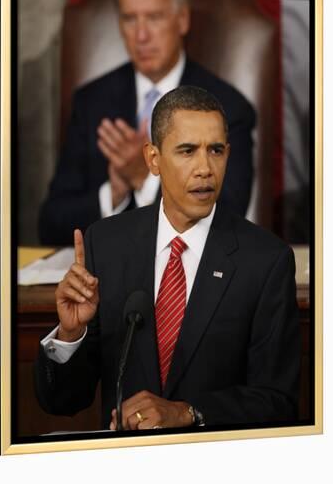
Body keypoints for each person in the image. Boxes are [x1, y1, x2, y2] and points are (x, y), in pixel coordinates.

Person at [34, 86, 301, 430]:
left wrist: (188, 412)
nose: (205, 168)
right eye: (187, 151)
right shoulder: (106, 244)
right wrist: (70, 335)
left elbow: (279, 401)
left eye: (216, 150)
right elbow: (63, 401)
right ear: (153, 159)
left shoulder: (266, 261)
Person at [38, 0, 256, 246]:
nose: (141, 36)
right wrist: (115, 191)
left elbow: (229, 215)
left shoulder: (227, 107)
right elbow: (51, 224)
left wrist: (147, 176)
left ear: (182, 19)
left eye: (154, 18)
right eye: (130, 19)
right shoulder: (91, 102)